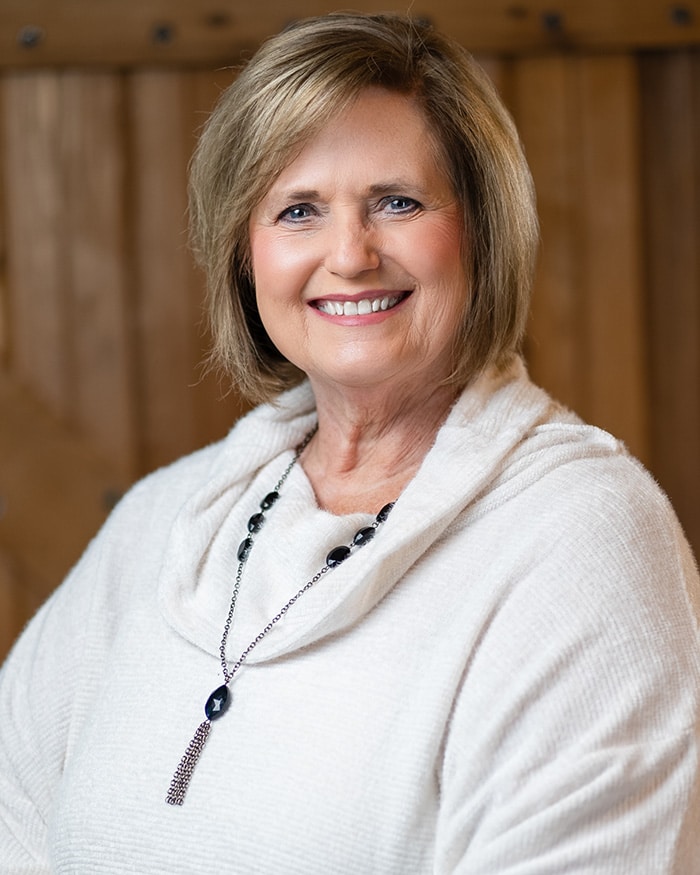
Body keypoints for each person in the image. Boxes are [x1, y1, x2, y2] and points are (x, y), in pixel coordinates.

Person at [1, 12, 698, 873]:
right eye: (298, 211)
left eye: (396, 202)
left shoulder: (582, 543)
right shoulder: (162, 522)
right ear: (244, 259)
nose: (350, 254)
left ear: (482, 232)